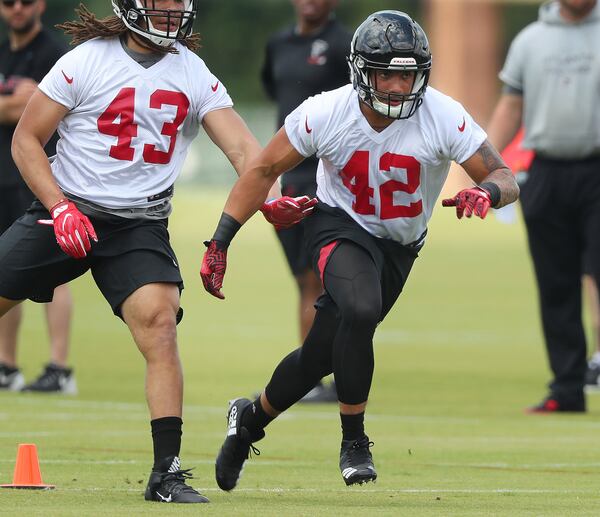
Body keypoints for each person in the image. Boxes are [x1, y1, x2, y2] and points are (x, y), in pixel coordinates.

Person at [0, 0, 312, 504]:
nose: (170, 12)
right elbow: (26, 139)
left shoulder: (191, 71)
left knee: (160, 326)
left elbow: (242, 151)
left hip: (137, 225)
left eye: (176, 3)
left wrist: (272, 200)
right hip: (66, 211)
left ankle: (165, 474)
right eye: (159, 3)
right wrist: (58, 208)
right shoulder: (85, 60)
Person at [201, 10, 519, 489]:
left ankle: (247, 421)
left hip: (399, 247)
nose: (395, 86)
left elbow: (503, 176)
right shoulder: (327, 111)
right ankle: (354, 440)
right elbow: (263, 170)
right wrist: (221, 240)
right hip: (337, 225)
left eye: (406, 73)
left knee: (319, 357)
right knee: (361, 307)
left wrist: (486, 193)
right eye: (385, 73)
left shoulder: (442, 113)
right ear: (360, 71)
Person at [487, 0, 600, 412]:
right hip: (546, 173)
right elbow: (510, 106)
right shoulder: (530, 41)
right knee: (556, 284)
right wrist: (482, 165)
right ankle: (567, 389)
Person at [260, 0, 351, 403]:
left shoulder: (345, 43)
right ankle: (314, 378)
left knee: (323, 281)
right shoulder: (278, 44)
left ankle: (320, 375)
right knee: (304, 280)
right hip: (290, 178)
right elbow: (274, 93)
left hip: (330, 175)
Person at [0, 0, 77, 394]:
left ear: (40, 5)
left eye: (25, 2)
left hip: (37, 176)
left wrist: (18, 106)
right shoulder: (2, 50)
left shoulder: (54, 53)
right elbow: (15, 107)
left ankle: (59, 369)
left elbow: (34, 111)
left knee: (53, 268)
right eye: (8, 2)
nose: (16, 9)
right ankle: (7, 365)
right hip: (1, 173)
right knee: (6, 267)